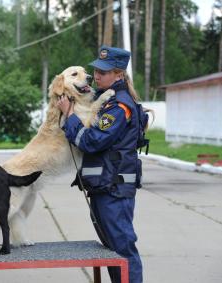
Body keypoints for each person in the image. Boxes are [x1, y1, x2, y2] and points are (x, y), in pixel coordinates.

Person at [57, 46, 143, 283]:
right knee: (113, 252)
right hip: (104, 187)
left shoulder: (118, 106)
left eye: (103, 72)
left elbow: (92, 141)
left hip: (114, 191)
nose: (96, 76)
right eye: (96, 70)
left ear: (119, 75)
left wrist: (71, 117)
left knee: (122, 250)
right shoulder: (106, 99)